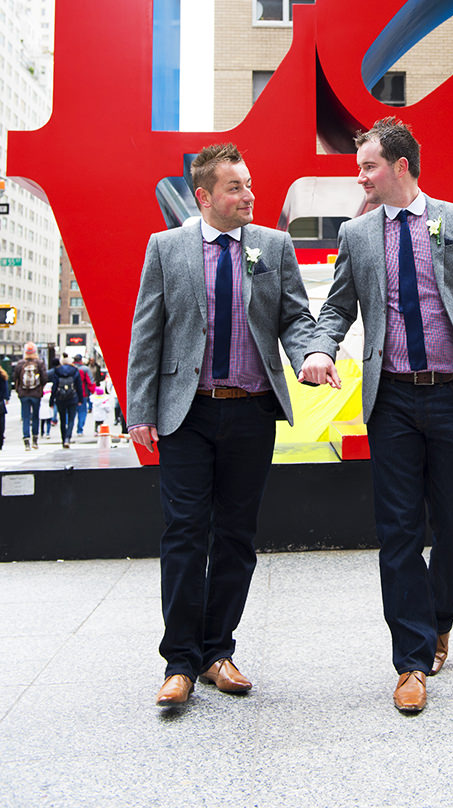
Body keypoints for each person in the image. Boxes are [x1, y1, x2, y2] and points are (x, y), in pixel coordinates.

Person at [301, 117, 453, 714]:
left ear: (400, 166)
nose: (361, 177)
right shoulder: (357, 234)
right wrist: (320, 348)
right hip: (392, 401)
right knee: (398, 531)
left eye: (369, 166)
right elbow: (337, 308)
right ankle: (409, 660)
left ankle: (440, 617)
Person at [126, 141, 319, 709]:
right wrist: (140, 409)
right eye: (236, 187)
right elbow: (147, 331)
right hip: (186, 413)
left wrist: (310, 354)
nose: (248, 195)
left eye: (249, 184)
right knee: (185, 533)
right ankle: (179, 662)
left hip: (252, 412)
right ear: (204, 196)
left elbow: (295, 318)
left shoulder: (273, 245)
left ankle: (218, 652)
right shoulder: (166, 248)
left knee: (236, 536)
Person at [13, 342, 48, 450]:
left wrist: (19, 390)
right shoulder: (39, 363)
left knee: (26, 417)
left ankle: (26, 440)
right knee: (35, 416)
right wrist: (40, 388)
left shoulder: (20, 364)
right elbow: (44, 378)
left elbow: (15, 378)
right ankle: (35, 440)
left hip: (24, 394)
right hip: (36, 393)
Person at [46, 355, 83, 449]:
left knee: (62, 419)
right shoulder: (75, 370)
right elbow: (79, 385)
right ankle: (68, 438)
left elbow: (54, 387)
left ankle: (63, 439)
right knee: (71, 419)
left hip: (60, 398)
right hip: (72, 397)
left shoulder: (57, 370)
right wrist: (80, 399)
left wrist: (51, 400)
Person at [71, 354, 95, 436]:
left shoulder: (70, 368)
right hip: (83, 394)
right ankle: (80, 430)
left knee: (70, 413)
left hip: (70, 394)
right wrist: (93, 391)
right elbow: (90, 381)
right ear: (81, 360)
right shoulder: (85, 369)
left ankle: (69, 429)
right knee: (82, 412)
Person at [0, 365, 9, 449]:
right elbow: (5, 388)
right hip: (0, 403)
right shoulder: (2, 375)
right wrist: (6, 398)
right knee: (1, 423)